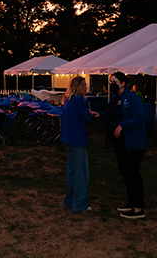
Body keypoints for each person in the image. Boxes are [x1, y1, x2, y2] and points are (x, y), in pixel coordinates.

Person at [110, 72, 147, 219]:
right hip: (121, 142)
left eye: (115, 81)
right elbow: (112, 114)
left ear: (123, 83)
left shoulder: (132, 98)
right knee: (125, 173)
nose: (112, 84)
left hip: (133, 143)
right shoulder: (114, 98)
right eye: (110, 81)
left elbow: (140, 117)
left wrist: (123, 125)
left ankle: (138, 209)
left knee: (133, 174)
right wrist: (98, 114)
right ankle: (132, 202)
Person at [61, 76, 100, 212]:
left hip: (68, 138)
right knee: (81, 172)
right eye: (84, 85)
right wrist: (89, 112)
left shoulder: (68, 99)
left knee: (71, 171)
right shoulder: (78, 99)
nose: (86, 87)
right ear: (78, 86)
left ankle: (70, 200)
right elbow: (87, 118)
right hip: (77, 139)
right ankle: (80, 203)